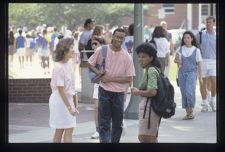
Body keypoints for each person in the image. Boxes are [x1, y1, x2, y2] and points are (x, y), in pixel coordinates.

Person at [87, 28, 135, 143]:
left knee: (118, 124)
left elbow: (129, 78)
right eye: (117, 37)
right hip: (104, 91)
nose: (119, 40)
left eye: (121, 38)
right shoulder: (102, 50)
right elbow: (90, 63)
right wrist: (98, 72)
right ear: (112, 36)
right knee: (104, 123)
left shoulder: (127, 57)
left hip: (118, 94)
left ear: (124, 39)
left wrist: (110, 79)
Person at [49, 38, 78, 143]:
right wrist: (70, 108)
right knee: (63, 129)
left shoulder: (69, 64)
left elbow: (71, 87)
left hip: (66, 100)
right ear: (64, 50)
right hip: (60, 101)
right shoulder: (58, 67)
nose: (73, 50)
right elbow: (61, 90)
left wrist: (74, 103)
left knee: (66, 128)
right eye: (71, 48)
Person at [131, 42, 161, 143]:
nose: (140, 59)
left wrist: (138, 92)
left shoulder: (151, 70)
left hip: (150, 108)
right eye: (139, 56)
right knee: (147, 137)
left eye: (143, 57)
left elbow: (153, 92)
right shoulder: (150, 69)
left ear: (151, 58)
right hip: (149, 108)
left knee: (146, 137)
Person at [174, 31, 203, 120]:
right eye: (185, 38)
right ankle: (188, 113)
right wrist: (177, 61)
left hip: (192, 73)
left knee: (189, 91)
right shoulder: (180, 49)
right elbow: (175, 60)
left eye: (188, 38)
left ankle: (190, 112)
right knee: (184, 93)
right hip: (182, 72)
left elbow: (199, 64)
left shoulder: (196, 50)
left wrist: (200, 77)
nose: (186, 39)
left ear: (192, 39)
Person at [195, 16, 216, 112]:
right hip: (202, 61)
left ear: (213, 23)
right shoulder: (199, 35)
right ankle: (204, 104)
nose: (208, 24)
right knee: (202, 83)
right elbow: (193, 45)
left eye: (210, 22)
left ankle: (212, 100)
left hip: (214, 61)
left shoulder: (217, 35)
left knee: (214, 83)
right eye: (207, 22)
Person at [89, 36, 106, 139]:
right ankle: (97, 130)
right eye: (92, 44)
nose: (93, 46)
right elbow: (90, 66)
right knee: (97, 107)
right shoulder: (94, 55)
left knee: (106, 108)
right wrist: (98, 73)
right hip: (98, 83)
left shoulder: (106, 53)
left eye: (96, 43)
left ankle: (106, 128)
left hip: (109, 84)